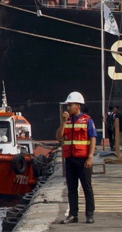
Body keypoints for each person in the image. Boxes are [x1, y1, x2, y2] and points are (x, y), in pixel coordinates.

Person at [56, 91, 97, 224]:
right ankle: (73, 215)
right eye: (67, 105)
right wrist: (63, 122)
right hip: (70, 159)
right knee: (72, 188)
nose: (68, 107)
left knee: (87, 187)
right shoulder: (66, 121)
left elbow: (93, 139)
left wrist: (90, 157)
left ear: (78, 106)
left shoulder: (87, 120)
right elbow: (58, 136)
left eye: (70, 105)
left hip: (83, 159)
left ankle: (89, 214)